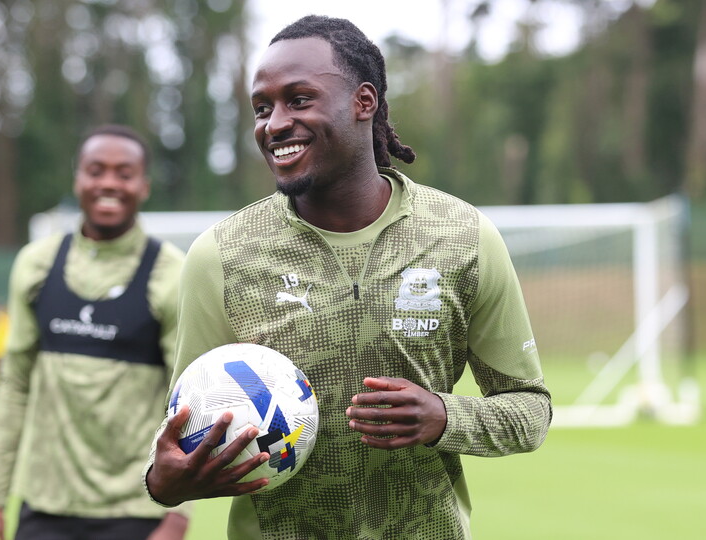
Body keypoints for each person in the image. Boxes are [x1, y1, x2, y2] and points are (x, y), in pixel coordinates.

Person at [143, 15, 551, 539]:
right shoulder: (220, 256)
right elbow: (184, 432)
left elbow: (529, 410)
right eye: (262, 108)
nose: (274, 124)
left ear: (364, 102)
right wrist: (163, 483)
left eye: (299, 99)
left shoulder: (463, 236)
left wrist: (445, 418)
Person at [0, 124, 188, 540]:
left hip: (136, 509)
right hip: (44, 507)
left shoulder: (172, 274)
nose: (109, 183)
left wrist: (179, 514)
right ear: (78, 180)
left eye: (124, 173)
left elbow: (188, 401)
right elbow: (14, 385)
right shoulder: (36, 265)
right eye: (96, 170)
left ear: (144, 186)